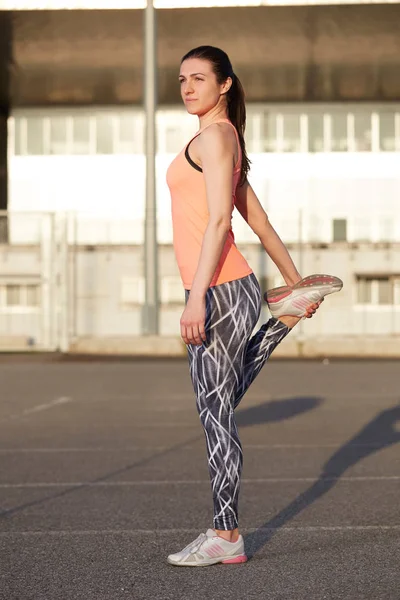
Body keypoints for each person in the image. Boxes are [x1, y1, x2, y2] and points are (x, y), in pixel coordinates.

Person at [166, 45, 342, 567]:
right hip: (227, 288)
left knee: (215, 414)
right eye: (182, 80)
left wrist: (195, 299)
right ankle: (288, 311)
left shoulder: (217, 137)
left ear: (225, 84)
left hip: (217, 290)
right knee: (217, 403)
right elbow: (258, 222)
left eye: (199, 78)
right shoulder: (220, 141)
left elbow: (223, 224)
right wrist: (294, 282)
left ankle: (226, 533)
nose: (188, 87)